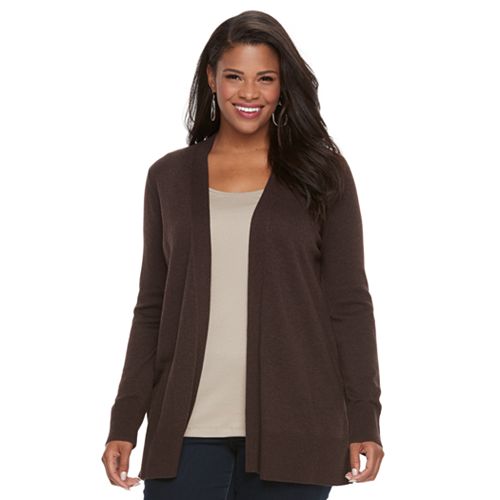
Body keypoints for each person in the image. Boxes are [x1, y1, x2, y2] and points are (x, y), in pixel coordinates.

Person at [102, 9, 384, 500]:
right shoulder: (168, 177)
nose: (249, 93)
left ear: (283, 85)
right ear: (212, 79)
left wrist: (365, 417)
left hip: (298, 428)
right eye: (235, 76)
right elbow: (152, 308)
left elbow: (349, 305)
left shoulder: (323, 175)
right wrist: (124, 421)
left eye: (265, 79)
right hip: (185, 433)